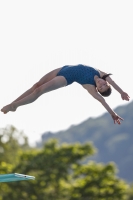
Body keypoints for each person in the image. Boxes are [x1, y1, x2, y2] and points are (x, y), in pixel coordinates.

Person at [1, 64, 130, 124]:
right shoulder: (103, 75)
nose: (101, 84)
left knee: (38, 91)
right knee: (36, 85)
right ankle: (12, 104)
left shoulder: (91, 87)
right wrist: (122, 92)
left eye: (100, 88)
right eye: (104, 84)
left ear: (98, 90)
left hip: (65, 78)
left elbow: (103, 101)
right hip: (63, 68)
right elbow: (113, 82)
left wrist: (113, 114)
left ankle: (14, 106)